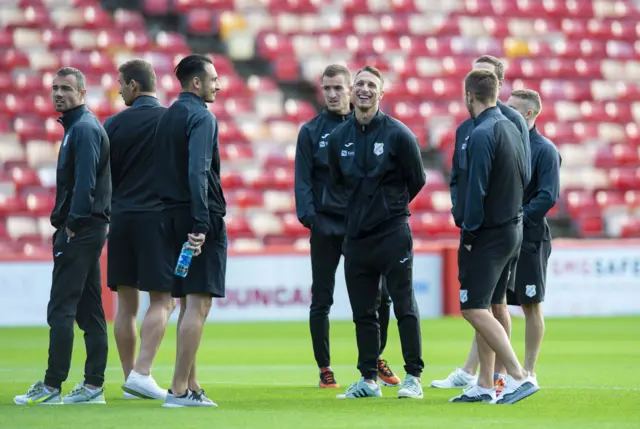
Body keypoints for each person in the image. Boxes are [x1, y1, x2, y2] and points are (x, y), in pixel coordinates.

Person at [294, 64, 399, 389]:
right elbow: (302, 181)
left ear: (351, 89)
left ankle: (373, 357)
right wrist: (312, 219)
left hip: (361, 227)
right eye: (327, 88)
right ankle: (325, 368)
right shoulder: (311, 131)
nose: (332, 94)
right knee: (321, 299)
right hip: (326, 226)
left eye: (338, 88)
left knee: (380, 297)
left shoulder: (367, 127)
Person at [432, 55, 532, 392]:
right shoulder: (491, 126)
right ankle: (486, 383)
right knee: (490, 303)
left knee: (479, 306)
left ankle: (514, 376)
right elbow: (465, 176)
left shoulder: (491, 128)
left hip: (489, 230)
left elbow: (477, 184)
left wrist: (471, 226)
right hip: (505, 226)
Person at [327, 66, 426, 400]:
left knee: (404, 304)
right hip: (356, 238)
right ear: (352, 93)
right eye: (360, 84)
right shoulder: (339, 138)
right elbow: (337, 183)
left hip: (393, 232)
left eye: (372, 85)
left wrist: (390, 207)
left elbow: (418, 179)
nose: (365, 89)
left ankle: (413, 376)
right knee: (363, 312)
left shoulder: (399, 134)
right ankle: (369, 378)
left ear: (381, 94)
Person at [14, 67, 111, 405]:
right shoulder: (79, 127)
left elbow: (85, 182)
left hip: (81, 229)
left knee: (61, 309)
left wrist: (72, 224)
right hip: (89, 227)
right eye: (55, 88)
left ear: (82, 94)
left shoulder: (82, 129)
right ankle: (93, 386)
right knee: (89, 310)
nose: (59, 94)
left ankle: (52, 386)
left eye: (67, 88)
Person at [153, 54, 225, 408]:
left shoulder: (167, 117)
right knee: (199, 303)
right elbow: (199, 172)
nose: (218, 84)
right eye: (213, 78)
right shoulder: (202, 117)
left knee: (186, 303)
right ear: (196, 83)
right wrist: (201, 224)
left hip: (169, 215)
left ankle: (191, 384)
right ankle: (179, 390)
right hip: (197, 217)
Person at [104, 59, 173, 400]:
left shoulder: (112, 125)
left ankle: (130, 378)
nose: (118, 90)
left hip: (120, 219)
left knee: (125, 307)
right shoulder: (171, 120)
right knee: (163, 300)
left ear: (133, 85)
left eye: (120, 84)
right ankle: (142, 373)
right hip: (157, 220)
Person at [506, 89, 561, 381]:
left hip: (530, 238)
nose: (505, 110)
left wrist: (517, 218)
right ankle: (497, 370)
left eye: (512, 107)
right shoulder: (504, 142)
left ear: (529, 113)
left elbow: (548, 196)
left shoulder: (545, 150)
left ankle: (529, 369)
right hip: (502, 236)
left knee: (530, 303)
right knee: (495, 303)